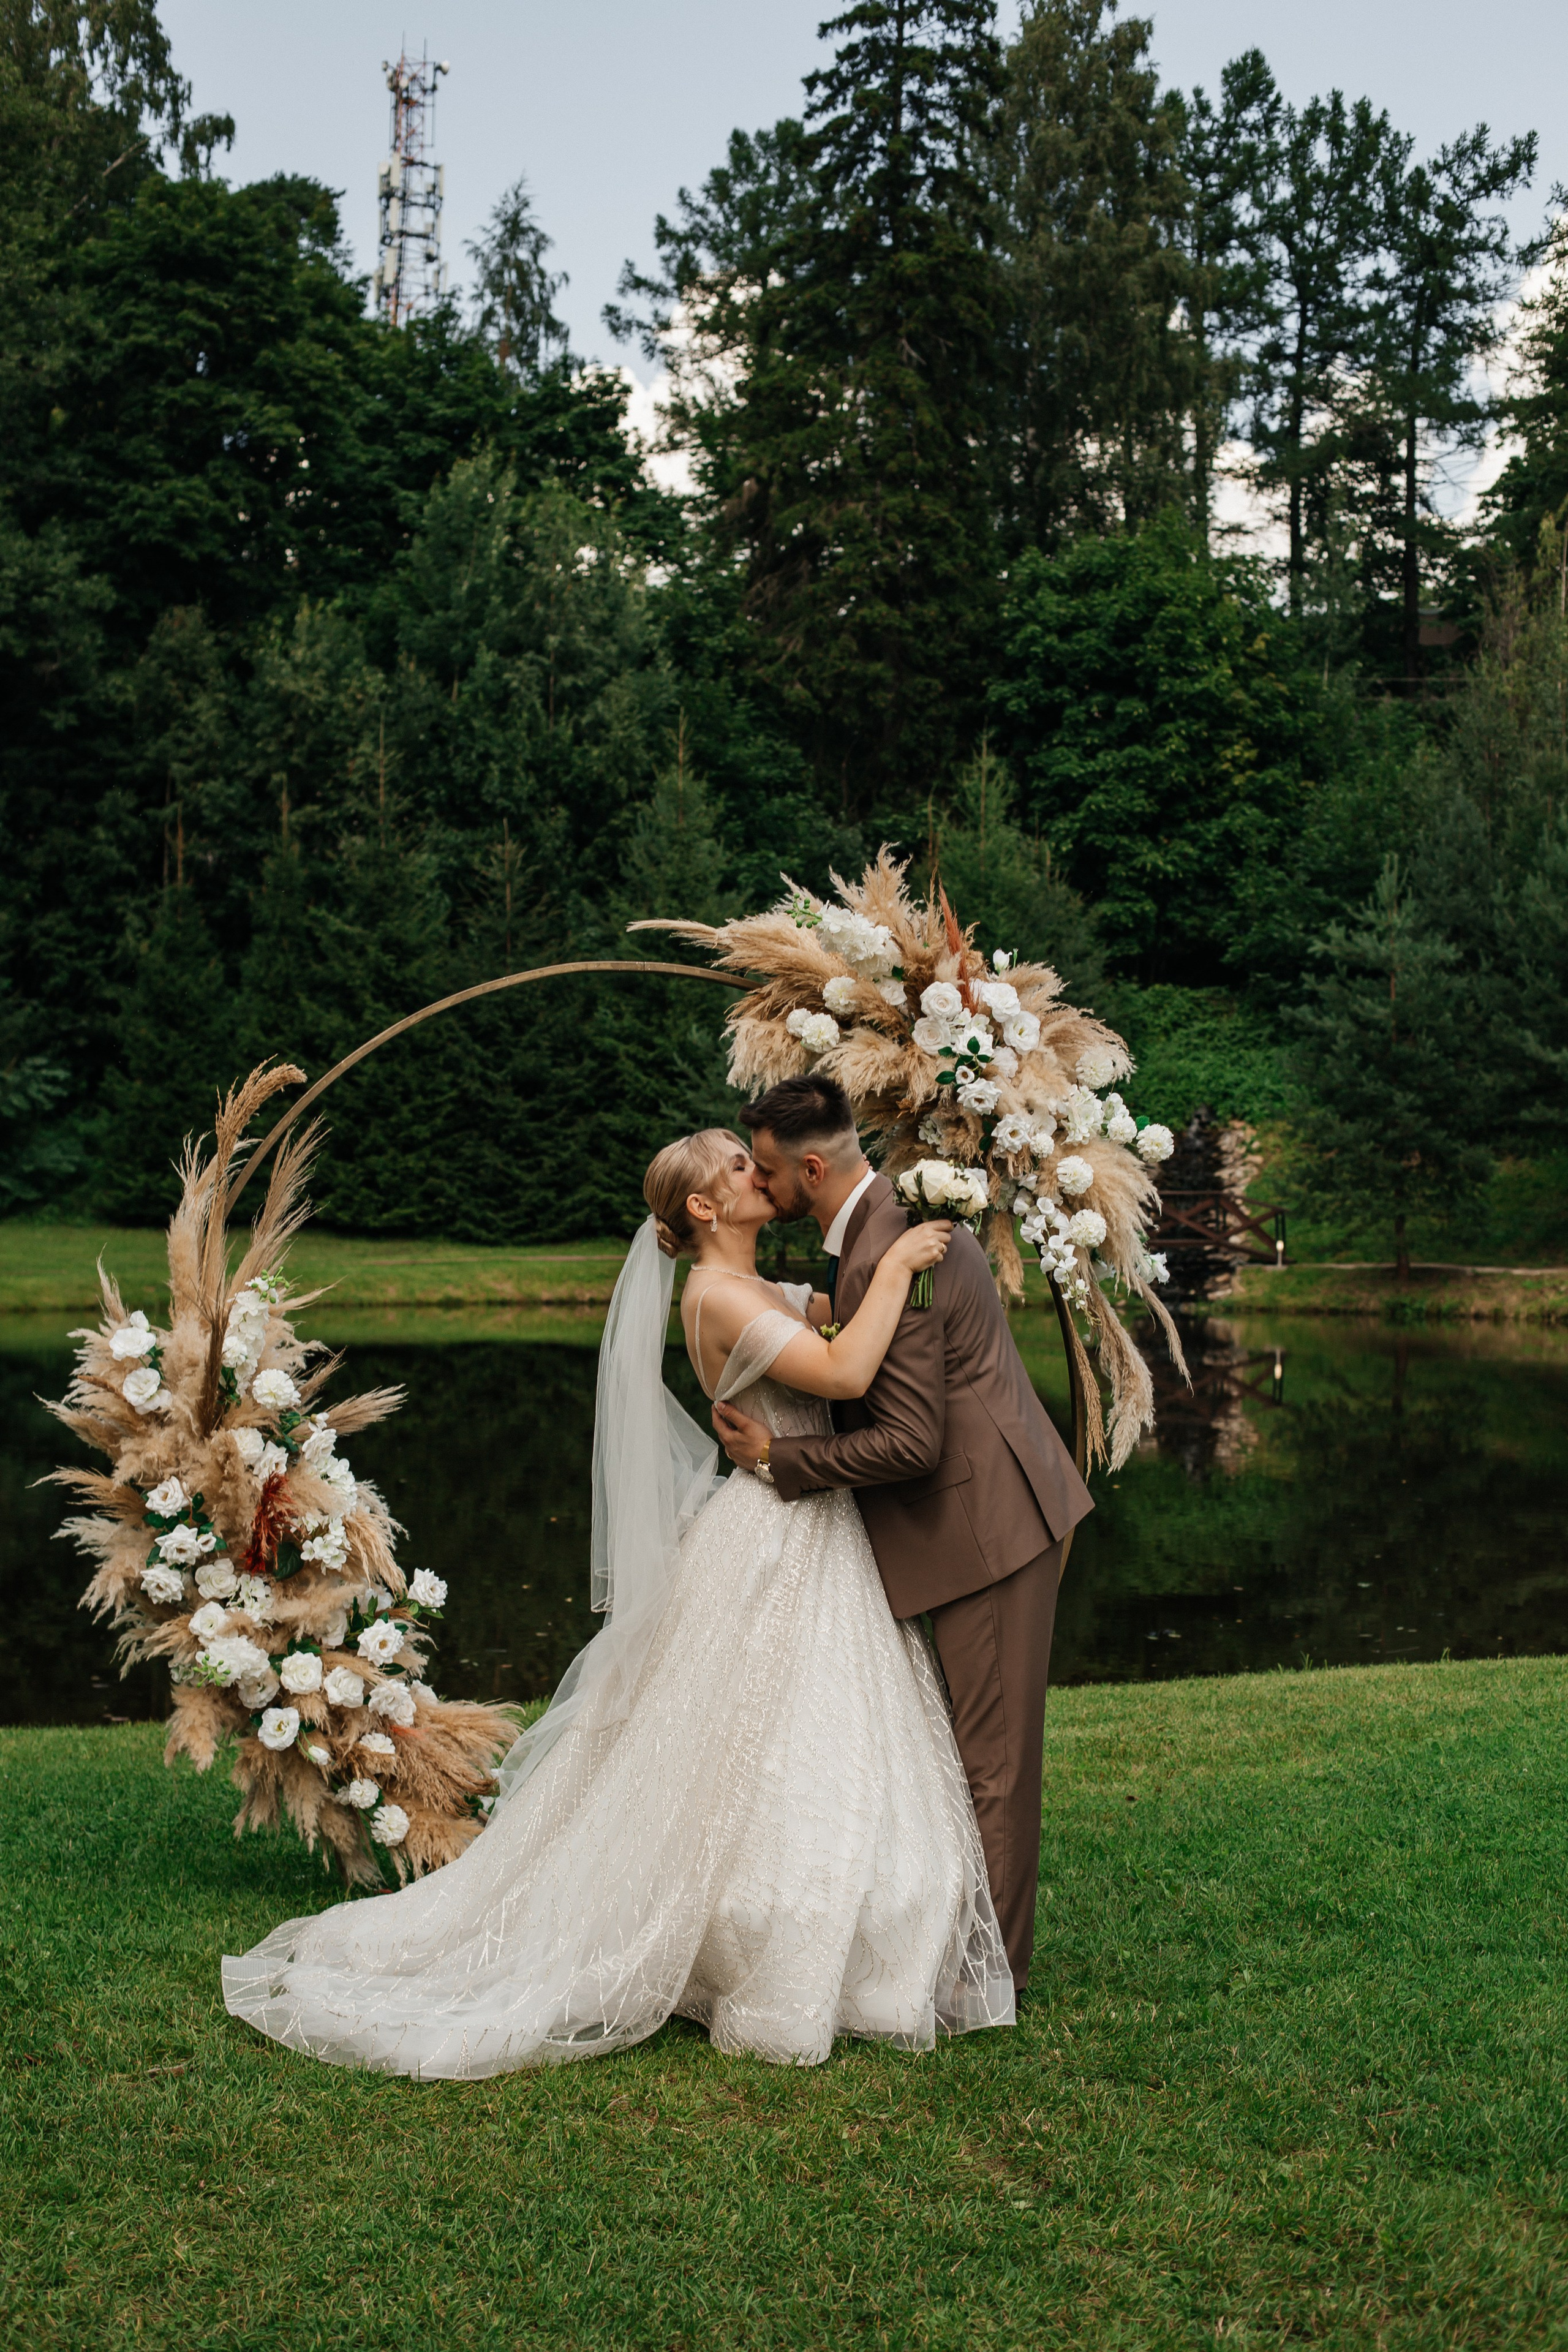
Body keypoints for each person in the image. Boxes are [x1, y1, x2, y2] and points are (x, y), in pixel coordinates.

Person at [221, 1129, 1015, 2077]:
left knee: (821, 1730)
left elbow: (849, 1347)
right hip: (772, 1534)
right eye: (735, 1166)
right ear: (702, 1211)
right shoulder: (718, 1296)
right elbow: (843, 1376)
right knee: (739, 1734)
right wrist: (904, 1269)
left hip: (817, 1526)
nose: (755, 1173)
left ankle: (868, 1924)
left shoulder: (774, 1289)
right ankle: (748, 1932)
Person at [716, 1076, 1093, 1997]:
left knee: (993, 1764)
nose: (761, 1189)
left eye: (767, 1172)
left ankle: (987, 1978)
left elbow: (914, 1441)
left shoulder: (894, 1243)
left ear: (812, 1168)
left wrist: (784, 1459)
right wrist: (822, 1318)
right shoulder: (881, 1227)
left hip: (989, 1525)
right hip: (981, 1515)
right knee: (976, 1754)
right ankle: (964, 1954)